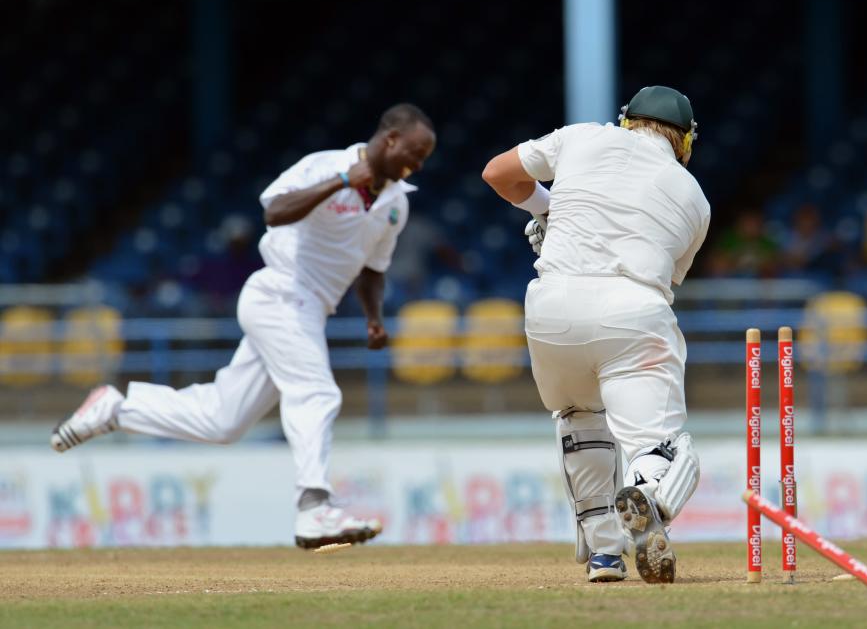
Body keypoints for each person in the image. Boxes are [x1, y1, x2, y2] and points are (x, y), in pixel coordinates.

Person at [51, 103, 437, 549]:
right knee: (316, 392)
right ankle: (314, 507)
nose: (417, 163)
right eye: (415, 151)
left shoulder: (397, 204)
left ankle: (116, 408)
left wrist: (373, 318)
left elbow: (373, 267)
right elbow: (274, 211)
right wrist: (341, 181)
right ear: (390, 139)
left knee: (223, 420)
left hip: (309, 309)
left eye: (424, 157)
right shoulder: (327, 165)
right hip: (280, 291)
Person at [482, 86, 710, 583]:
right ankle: (648, 495)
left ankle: (605, 555)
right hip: (632, 311)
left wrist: (546, 211)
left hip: (551, 307)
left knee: (579, 418)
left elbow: (497, 173)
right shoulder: (695, 198)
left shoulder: (583, 137)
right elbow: (667, 273)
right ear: (686, 141)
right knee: (661, 445)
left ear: (627, 120)